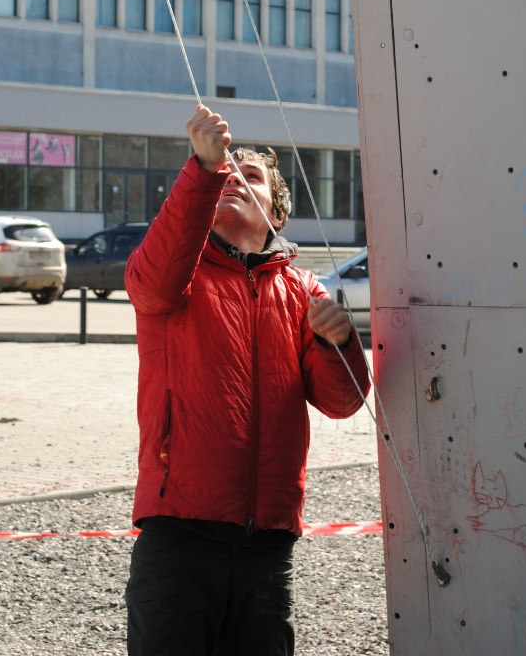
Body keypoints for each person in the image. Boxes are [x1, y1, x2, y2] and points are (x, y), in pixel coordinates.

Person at [124, 104, 371, 656]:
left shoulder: (304, 289)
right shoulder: (176, 270)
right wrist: (202, 169)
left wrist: (341, 344)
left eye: (250, 175)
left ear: (276, 214)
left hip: (269, 542)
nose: (234, 176)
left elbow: (341, 403)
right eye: (227, 173)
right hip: (178, 530)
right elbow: (153, 281)